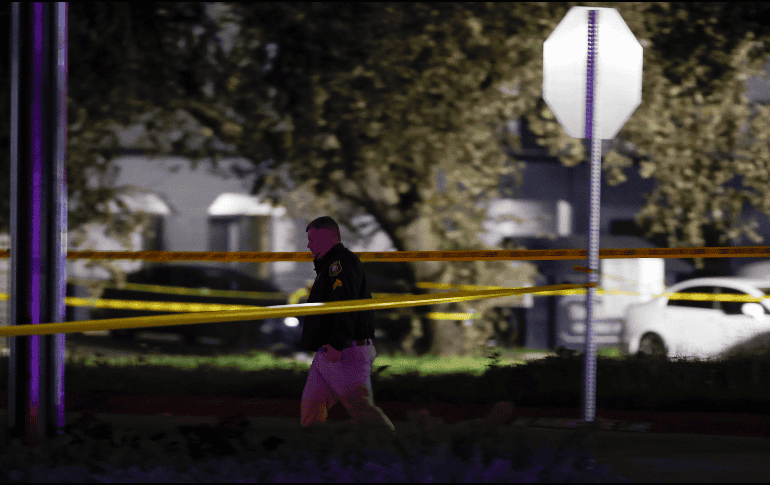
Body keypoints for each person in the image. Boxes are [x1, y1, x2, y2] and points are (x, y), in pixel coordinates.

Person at [300, 216, 396, 434]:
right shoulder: (331, 265)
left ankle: (394, 445)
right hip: (331, 351)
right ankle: (313, 449)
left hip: (345, 351)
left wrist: (336, 344)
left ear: (327, 237)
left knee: (362, 409)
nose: (308, 245)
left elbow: (345, 305)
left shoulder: (340, 265)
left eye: (312, 239)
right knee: (311, 410)